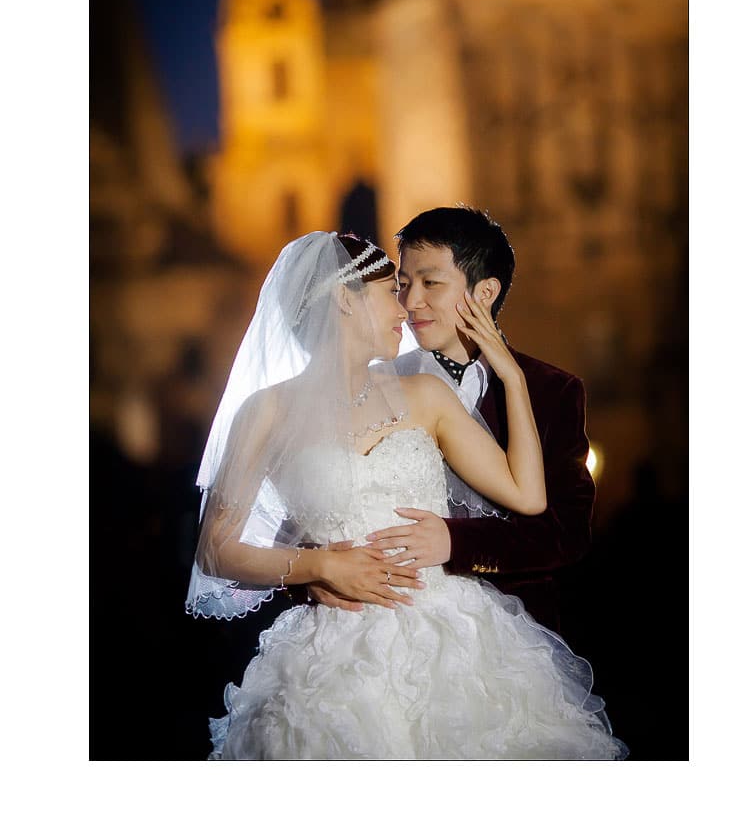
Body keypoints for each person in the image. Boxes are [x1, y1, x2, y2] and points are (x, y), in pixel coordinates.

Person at [186, 231, 626, 760]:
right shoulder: (267, 411)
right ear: (345, 300)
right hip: (335, 652)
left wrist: (509, 374)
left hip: (452, 637)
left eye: (418, 286)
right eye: (390, 291)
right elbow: (216, 549)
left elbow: (529, 498)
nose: (406, 308)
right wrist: (318, 567)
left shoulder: (424, 393)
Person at [300, 207, 596, 636]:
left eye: (430, 283)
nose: (410, 301)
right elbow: (314, 501)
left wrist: (456, 543)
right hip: (388, 626)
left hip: (517, 636)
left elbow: (566, 532)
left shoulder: (552, 390)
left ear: (485, 292)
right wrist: (316, 570)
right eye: (402, 285)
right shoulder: (377, 382)